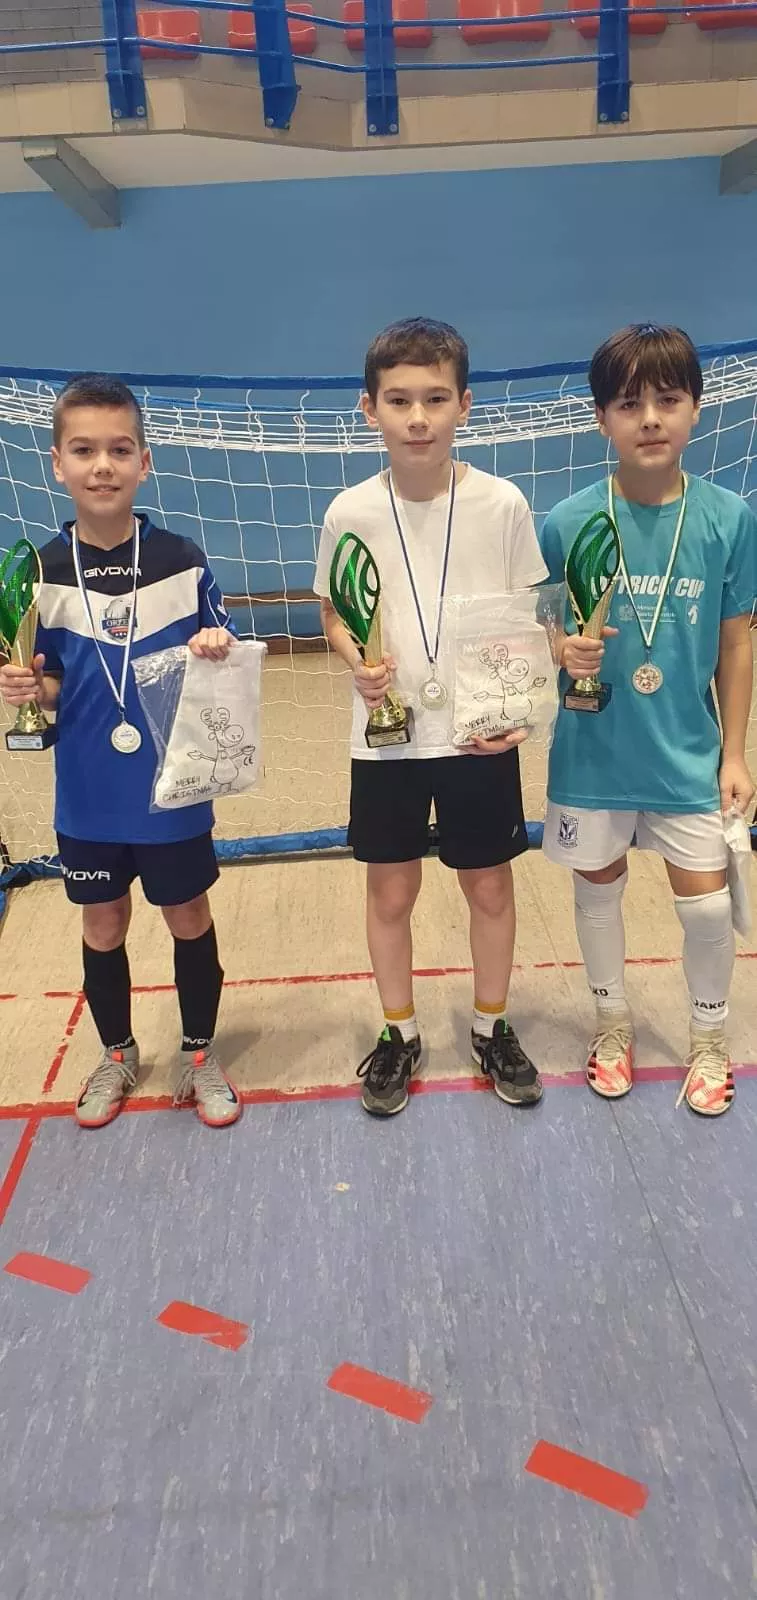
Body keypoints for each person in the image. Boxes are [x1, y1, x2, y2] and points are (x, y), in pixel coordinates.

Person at [314, 317, 548, 1116]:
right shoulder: (349, 509)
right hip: (386, 739)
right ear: (369, 408)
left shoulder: (501, 503)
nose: (418, 417)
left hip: (478, 733)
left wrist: (519, 710)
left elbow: (525, 618)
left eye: (436, 399)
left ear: (464, 404)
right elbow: (332, 613)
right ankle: (398, 1032)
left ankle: (490, 1025)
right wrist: (355, 659)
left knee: (488, 887)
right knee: (390, 894)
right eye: (399, 400)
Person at [0, 374, 241, 1129]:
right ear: (56, 464)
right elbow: (48, 689)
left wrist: (217, 645)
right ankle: (117, 1052)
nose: (102, 465)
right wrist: (24, 687)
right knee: (102, 923)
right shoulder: (39, 574)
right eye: (83, 450)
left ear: (144, 462)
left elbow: (223, 649)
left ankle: (199, 1056)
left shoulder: (180, 558)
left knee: (188, 915)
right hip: (88, 793)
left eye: (119, 449)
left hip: (172, 787)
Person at [540, 324, 756, 1115]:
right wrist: (561, 648)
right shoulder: (567, 520)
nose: (650, 419)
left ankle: (708, 1039)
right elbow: (546, 628)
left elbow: (736, 641)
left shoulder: (728, 517)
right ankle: (611, 1025)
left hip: (686, 752)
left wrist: (735, 754)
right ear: (601, 418)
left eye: (667, 399)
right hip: (593, 751)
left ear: (696, 407)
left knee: (706, 906)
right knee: (597, 893)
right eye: (628, 405)